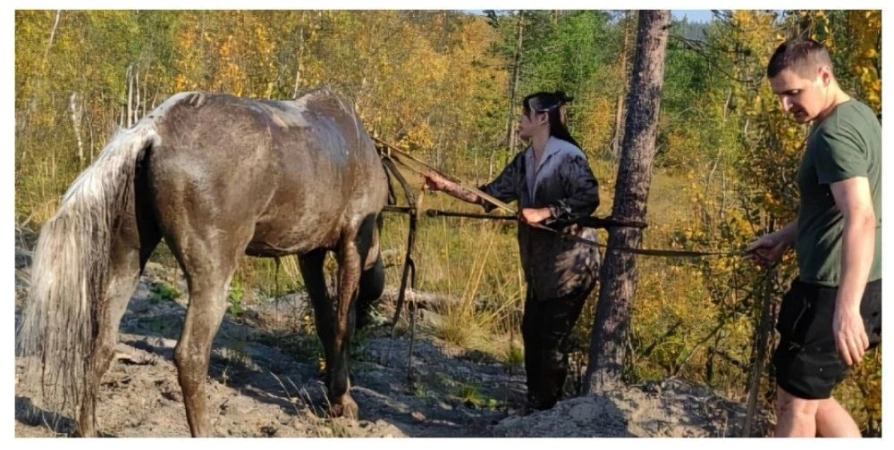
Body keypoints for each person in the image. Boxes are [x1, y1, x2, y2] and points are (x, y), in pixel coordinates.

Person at [425, 91, 601, 411]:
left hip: (572, 268)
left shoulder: (568, 156)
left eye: (524, 115)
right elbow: (490, 195)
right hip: (539, 271)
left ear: (542, 118)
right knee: (531, 332)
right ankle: (537, 405)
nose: (519, 121)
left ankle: (546, 411)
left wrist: (544, 212)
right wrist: (445, 186)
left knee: (550, 339)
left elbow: (587, 199)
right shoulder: (525, 160)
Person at [745, 38, 881, 437]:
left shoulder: (832, 135)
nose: (786, 107)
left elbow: (860, 215)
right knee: (813, 397)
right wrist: (786, 237)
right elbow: (834, 208)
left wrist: (845, 308)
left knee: (794, 405)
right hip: (868, 281)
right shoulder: (860, 116)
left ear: (823, 75)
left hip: (831, 289)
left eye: (793, 93)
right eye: (780, 97)